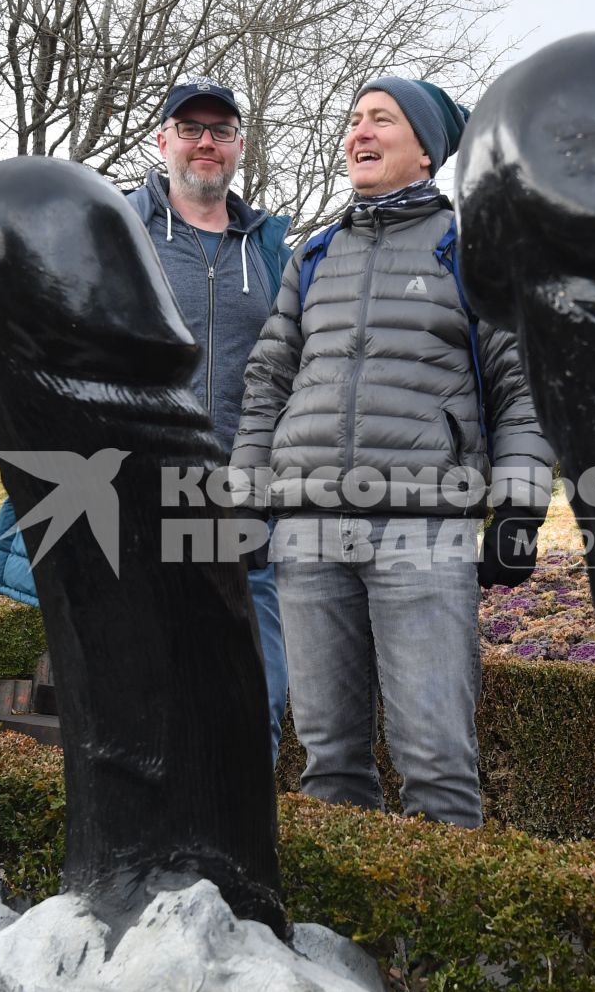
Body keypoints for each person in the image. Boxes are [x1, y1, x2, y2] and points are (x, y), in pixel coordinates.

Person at [233, 77, 554, 828]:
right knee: (329, 761)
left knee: (436, 764)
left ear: (425, 152)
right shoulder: (311, 255)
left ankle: (442, 948)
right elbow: (267, 379)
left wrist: (519, 507)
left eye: (381, 119)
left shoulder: (472, 250)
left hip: (423, 529)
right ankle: (338, 939)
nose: (359, 132)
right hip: (307, 533)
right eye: (353, 120)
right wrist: (246, 493)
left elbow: (523, 386)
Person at [0, 77, 294, 750]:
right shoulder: (111, 230)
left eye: (221, 130)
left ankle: (243, 848)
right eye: (190, 128)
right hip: (137, 505)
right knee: (141, 707)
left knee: (255, 705)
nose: (206, 143)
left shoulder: (272, 252)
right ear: (163, 140)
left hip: (243, 506)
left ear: (239, 146)